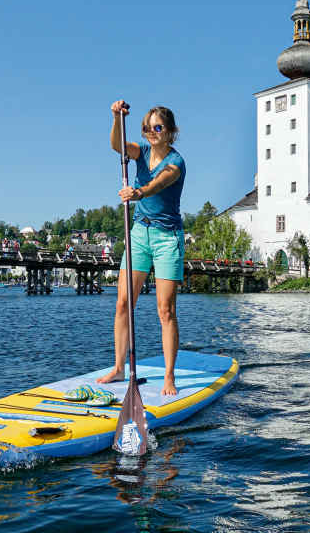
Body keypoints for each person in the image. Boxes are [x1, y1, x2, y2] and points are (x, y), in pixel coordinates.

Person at [97, 100, 186, 396]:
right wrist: (115, 118)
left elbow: (159, 183)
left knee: (165, 310)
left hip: (166, 238)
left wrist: (138, 192)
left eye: (158, 127)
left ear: (171, 131)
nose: (152, 132)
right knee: (123, 303)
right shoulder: (141, 152)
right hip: (139, 234)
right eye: (147, 127)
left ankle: (169, 377)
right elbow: (118, 147)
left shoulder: (176, 162)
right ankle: (119, 367)